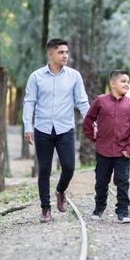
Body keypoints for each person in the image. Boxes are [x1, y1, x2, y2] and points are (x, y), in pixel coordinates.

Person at [23, 38, 90, 223]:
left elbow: (82, 102)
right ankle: (45, 209)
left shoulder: (74, 76)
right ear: (50, 54)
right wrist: (28, 127)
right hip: (42, 129)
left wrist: (91, 122)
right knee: (44, 170)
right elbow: (29, 102)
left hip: (65, 128)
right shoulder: (36, 77)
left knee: (69, 167)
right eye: (61, 52)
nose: (65, 55)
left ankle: (60, 190)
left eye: (67, 52)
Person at [83, 70, 130, 223]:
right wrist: (92, 136)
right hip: (103, 150)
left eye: (128, 81)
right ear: (113, 84)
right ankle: (99, 208)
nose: (126, 84)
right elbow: (88, 119)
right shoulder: (100, 101)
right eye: (123, 81)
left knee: (122, 182)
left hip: (123, 152)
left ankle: (123, 212)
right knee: (101, 181)